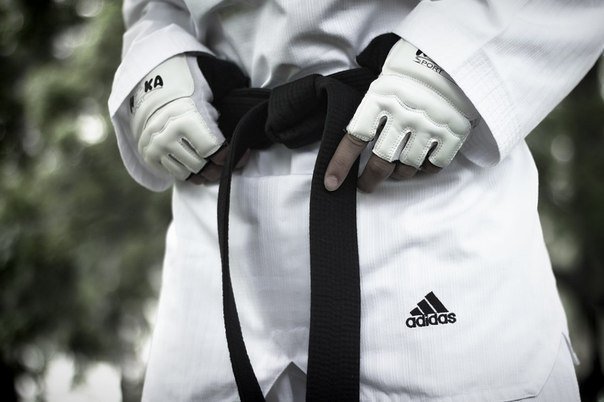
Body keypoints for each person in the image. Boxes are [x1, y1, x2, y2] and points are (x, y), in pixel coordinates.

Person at [108, 1, 604, 400]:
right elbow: (154, 10)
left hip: (422, 183)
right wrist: (155, 71)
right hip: (217, 229)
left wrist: (455, 63)